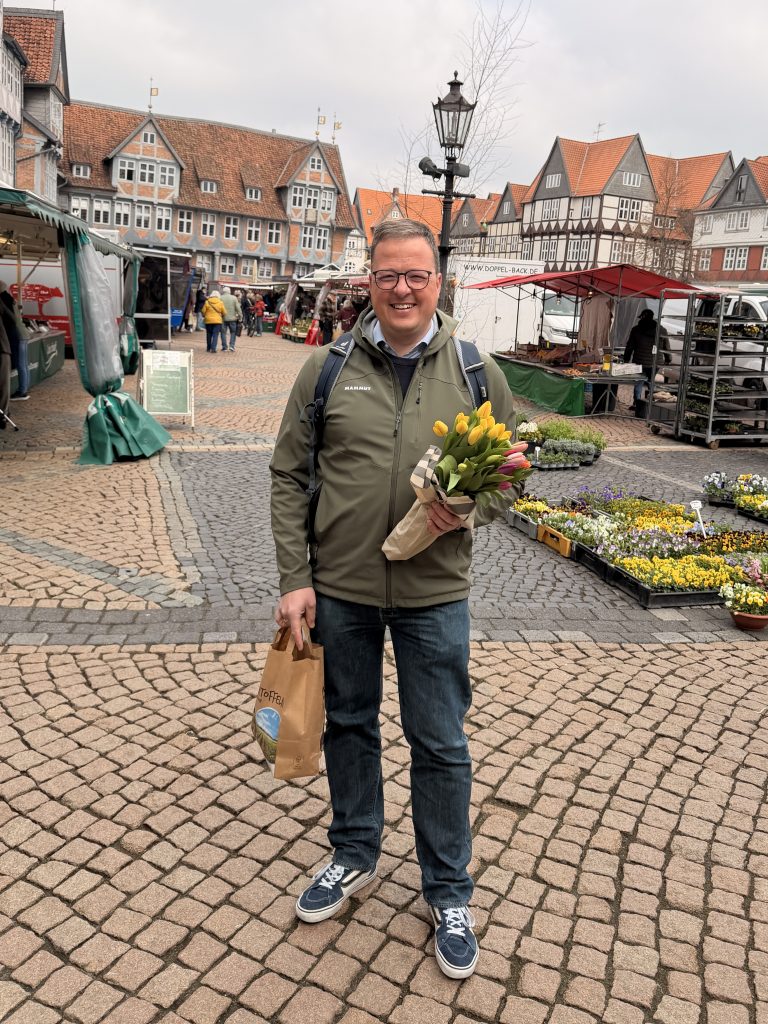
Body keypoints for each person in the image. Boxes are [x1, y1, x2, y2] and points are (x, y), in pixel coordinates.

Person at [270, 218, 521, 981]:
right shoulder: (326, 367)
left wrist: (471, 509)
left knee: (439, 741)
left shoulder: (479, 373)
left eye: (416, 275)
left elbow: (509, 481)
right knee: (348, 725)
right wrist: (293, 578)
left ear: (438, 283)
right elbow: (288, 475)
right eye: (388, 276)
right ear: (369, 282)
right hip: (341, 589)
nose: (403, 289)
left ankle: (448, 890)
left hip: (434, 594)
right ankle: (353, 853)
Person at [624, 308, 670, 409]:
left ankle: (637, 403)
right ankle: (650, 404)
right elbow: (666, 346)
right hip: (655, 362)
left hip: (639, 361)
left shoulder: (636, 329)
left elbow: (630, 346)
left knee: (639, 382)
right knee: (650, 382)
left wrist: (626, 359)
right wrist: (668, 359)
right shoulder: (662, 330)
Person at [0, 281, 29, 400]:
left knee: (20, 364)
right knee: (24, 364)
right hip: (23, 333)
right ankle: (24, 388)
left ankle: (22, 391)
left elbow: (8, 319)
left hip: (16, 334)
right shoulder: (10, 298)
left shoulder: (2, 299)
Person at [220, 286, 242, 352]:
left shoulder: (220, 298)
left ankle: (224, 347)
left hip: (223, 318)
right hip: (232, 319)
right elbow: (238, 308)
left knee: (223, 333)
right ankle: (232, 346)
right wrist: (240, 316)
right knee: (233, 332)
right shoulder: (234, 298)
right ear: (229, 291)